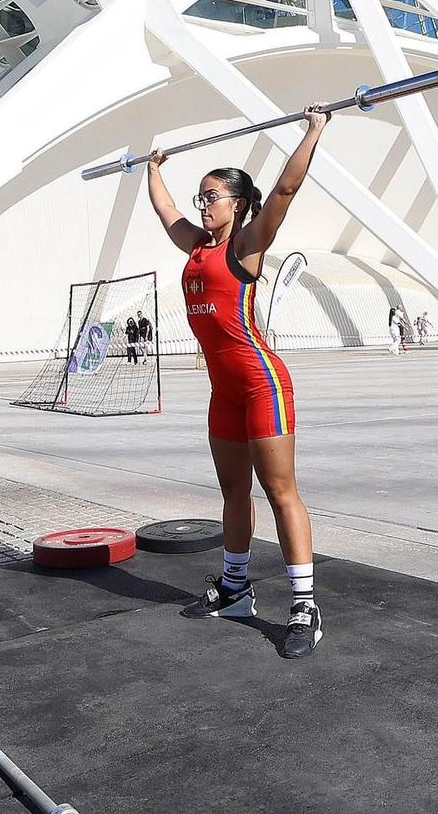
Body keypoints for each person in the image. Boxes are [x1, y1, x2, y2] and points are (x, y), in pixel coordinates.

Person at [146, 106, 328, 659]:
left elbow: (285, 191)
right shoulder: (196, 246)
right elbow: (166, 209)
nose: (202, 204)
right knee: (232, 493)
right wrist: (152, 167)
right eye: (200, 196)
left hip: (261, 384)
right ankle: (234, 589)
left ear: (238, 204)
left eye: (212, 197)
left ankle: (304, 606)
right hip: (223, 391)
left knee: (279, 492)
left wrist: (314, 130)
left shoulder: (245, 246)